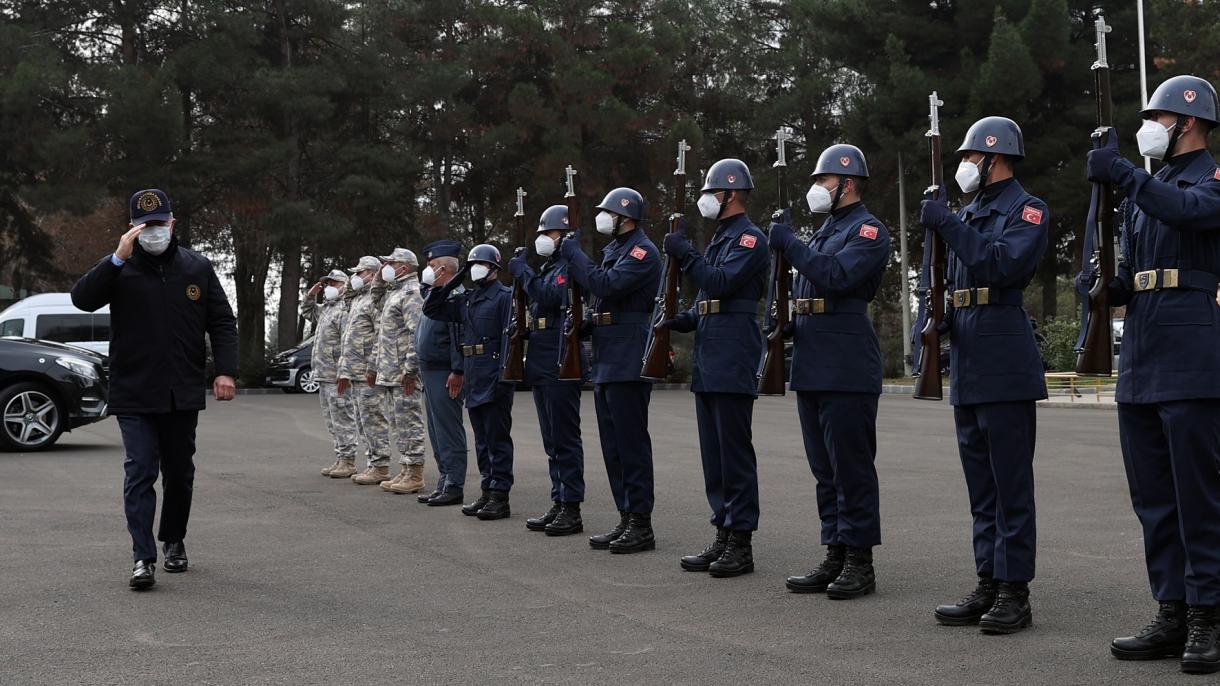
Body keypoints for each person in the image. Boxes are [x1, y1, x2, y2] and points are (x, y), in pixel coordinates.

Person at [1085, 74, 1220, 674]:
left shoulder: (1207, 179)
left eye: (1155, 118)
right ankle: (1172, 609)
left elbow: (1191, 215)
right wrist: (1107, 286)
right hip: (1141, 351)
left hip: (1192, 351)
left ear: (1184, 122)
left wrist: (1125, 176)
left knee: (1200, 498)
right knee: (1155, 500)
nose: (1148, 129)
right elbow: (1138, 266)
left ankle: (1209, 615)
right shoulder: (1153, 186)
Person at [70, 188, 238, 590]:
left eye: (160, 223)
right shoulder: (119, 269)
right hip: (134, 391)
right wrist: (116, 258)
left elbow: (222, 321)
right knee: (140, 471)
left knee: (179, 473)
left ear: (172, 223)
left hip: (181, 390)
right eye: (145, 225)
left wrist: (225, 371)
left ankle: (173, 540)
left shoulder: (196, 268)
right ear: (132, 228)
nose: (154, 231)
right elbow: (82, 299)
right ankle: (142, 557)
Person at [919, 116, 1048, 634]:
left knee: (1010, 482)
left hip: (1004, 353)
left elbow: (1001, 267)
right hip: (970, 352)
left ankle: (1015, 590)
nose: (965, 166)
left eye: (971, 157)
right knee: (981, 485)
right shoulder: (968, 211)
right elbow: (952, 282)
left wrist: (947, 223)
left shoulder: (1028, 209)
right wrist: (932, 327)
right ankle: (989, 579)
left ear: (995, 159)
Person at [768, 144, 890, 599]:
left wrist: (791, 244)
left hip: (847, 362)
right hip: (813, 360)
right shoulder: (823, 232)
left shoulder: (870, 231)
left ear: (848, 183)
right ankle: (835, 551)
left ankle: (860, 560)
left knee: (851, 468)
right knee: (824, 469)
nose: (815, 189)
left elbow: (837, 277)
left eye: (822, 181)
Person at [659, 159, 769, 578]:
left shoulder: (749, 240)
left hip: (733, 354)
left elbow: (722, 283)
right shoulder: (723, 238)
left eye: (710, 192)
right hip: (711, 357)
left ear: (731, 194)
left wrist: (685, 253)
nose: (705, 200)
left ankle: (741, 542)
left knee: (734, 454)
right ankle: (722, 530)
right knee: (715, 455)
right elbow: (708, 297)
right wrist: (682, 319)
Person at [562, 187, 662, 553]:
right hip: (608, 356)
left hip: (628, 357)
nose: (602, 218)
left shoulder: (642, 252)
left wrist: (575, 256)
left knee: (631, 445)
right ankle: (626, 517)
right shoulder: (615, 251)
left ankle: (641, 523)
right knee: (613, 447)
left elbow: (607, 285)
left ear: (627, 217)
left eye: (608, 212)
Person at [507, 205, 588, 536]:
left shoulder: (568, 265)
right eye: (541, 233)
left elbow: (551, 295)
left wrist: (523, 273)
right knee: (551, 438)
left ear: (565, 236)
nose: (543, 239)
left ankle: (571, 506)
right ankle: (559, 499)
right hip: (541, 356)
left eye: (549, 233)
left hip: (560, 355)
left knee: (565, 438)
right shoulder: (549, 266)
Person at [423, 244, 516, 520]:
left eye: (480, 264)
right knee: (482, 440)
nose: (476, 268)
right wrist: (458, 274)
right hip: (474, 371)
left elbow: (508, 339)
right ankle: (487, 490)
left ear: (494, 269)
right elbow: (433, 308)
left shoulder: (504, 297)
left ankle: (500, 496)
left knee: (497, 438)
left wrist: (504, 376)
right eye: (472, 264)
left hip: (494, 372)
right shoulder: (468, 299)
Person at [414, 240, 468, 506]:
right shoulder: (434, 294)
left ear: (445, 270)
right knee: (435, 431)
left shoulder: (455, 295)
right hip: (430, 371)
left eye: (432, 265)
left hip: (445, 372)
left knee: (448, 430)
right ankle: (444, 480)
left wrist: (458, 370)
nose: (428, 269)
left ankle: (454, 484)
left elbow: (458, 336)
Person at [374, 248, 429, 495]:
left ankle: (415, 473)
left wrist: (410, 370)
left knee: (410, 421)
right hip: (390, 371)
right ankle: (406, 468)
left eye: (390, 263)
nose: (385, 268)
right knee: (398, 423)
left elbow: (416, 335)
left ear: (404, 267)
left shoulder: (412, 293)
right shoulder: (395, 293)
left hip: (403, 372)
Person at [337, 255, 392, 485]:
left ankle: (380, 467)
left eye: (360, 273)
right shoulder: (359, 298)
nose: (355, 277)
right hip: (355, 371)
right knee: (362, 420)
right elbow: (347, 296)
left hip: (368, 371)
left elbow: (381, 335)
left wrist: (373, 365)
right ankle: (372, 463)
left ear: (372, 273)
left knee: (374, 419)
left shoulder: (376, 300)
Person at [303, 269, 360, 479]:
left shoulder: (345, 310)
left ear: (344, 286)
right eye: (327, 284)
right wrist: (311, 295)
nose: (328, 287)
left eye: (333, 284)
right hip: (324, 374)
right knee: (332, 420)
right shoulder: (328, 308)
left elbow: (348, 343)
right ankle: (340, 458)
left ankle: (348, 460)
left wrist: (345, 372)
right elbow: (307, 312)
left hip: (337, 375)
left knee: (343, 418)